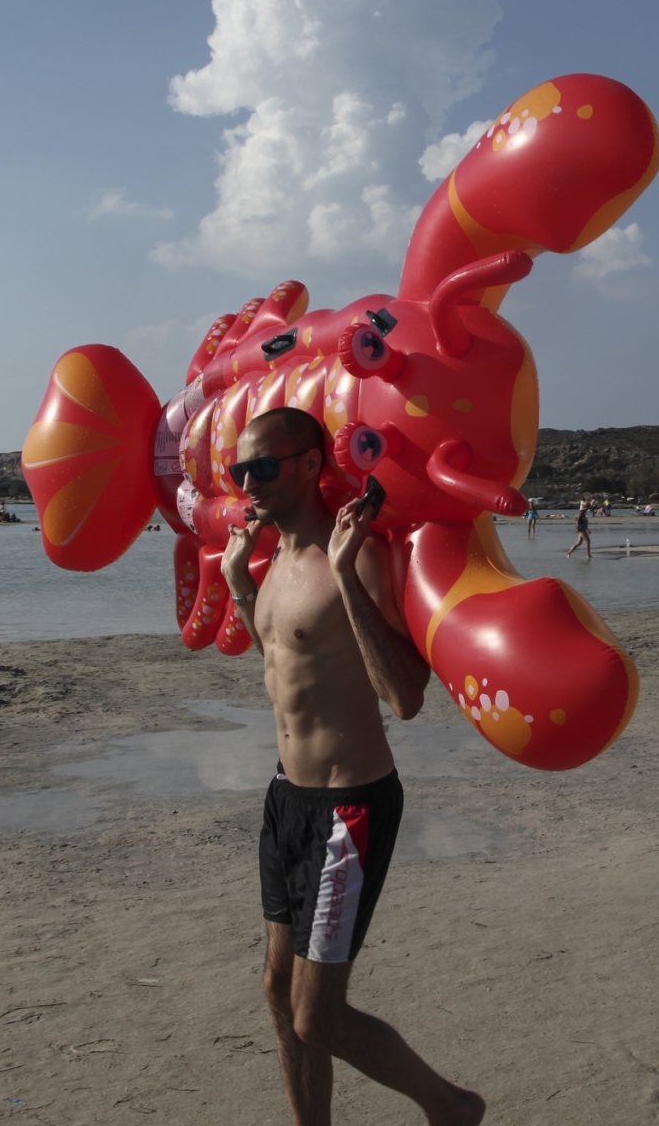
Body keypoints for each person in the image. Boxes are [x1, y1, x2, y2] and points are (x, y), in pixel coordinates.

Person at [218, 407, 483, 1126]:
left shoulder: (358, 555)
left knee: (318, 1018)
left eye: (262, 467)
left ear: (310, 465)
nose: (248, 483)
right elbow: (287, 665)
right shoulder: (270, 561)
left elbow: (405, 695)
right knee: (278, 994)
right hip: (286, 798)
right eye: (239, 470)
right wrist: (239, 583)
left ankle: (452, 1108)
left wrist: (343, 571)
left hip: (350, 806)